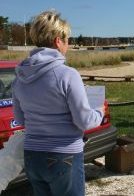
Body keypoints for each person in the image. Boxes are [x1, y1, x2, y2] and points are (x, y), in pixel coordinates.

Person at [12, 10, 105, 196]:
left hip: (32, 155)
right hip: (64, 155)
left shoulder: (19, 77)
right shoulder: (68, 75)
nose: (68, 45)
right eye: (67, 40)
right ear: (57, 41)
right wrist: (99, 112)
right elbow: (84, 121)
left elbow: (21, 120)